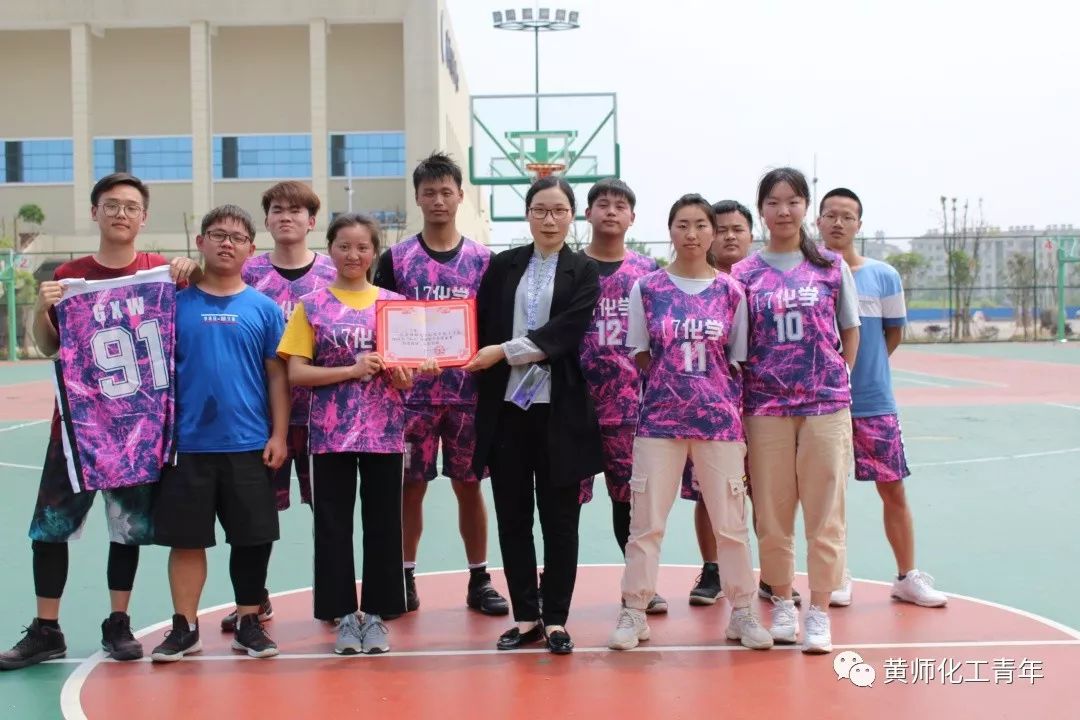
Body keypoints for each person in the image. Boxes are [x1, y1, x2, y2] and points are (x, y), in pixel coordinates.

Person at [0, 173, 198, 671]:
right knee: (50, 528)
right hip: (76, 427)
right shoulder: (70, 275)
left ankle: (118, 622)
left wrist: (190, 272)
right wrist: (42, 309)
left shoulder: (161, 272)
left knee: (126, 530)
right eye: (111, 205)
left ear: (143, 217)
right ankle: (46, 629)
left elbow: (197, 310)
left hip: (137, 427)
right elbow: (49, 346)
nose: (121, 214)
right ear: (95, 212)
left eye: (131, 206)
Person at [608, 194, 771, 651]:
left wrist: (704, 391)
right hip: (659, 422)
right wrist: (674, 384)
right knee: (646, 524)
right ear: (671, 231)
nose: (692, 233)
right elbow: (641, 353)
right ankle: (634, 611)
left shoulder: (731, 292)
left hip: (719, 423)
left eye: (701, 225)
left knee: (731, 524)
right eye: (683, 224)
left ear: (713, 233)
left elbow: (736, 358)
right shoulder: (647, 289)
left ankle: (742, 612)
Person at [464, 176, 602, 655]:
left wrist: (503, 352)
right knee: (513, 516)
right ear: (527, 214)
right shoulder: (503, 265)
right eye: (540, 210)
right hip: (506, 412)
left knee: (561, 521)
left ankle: (556, 618)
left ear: (572, 216)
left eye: (559, 211)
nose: (549, 219)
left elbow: (567, 331)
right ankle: (526, 617)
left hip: (559, 412)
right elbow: (477, 323)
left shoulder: (584, 271)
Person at [279, 213, 425, 654]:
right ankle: (342, 614)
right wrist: (351, 369)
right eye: (344, 246)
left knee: (384, 524)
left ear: (374, 252)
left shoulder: (395, 305)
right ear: (330, 249)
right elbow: (297, 373)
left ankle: (377, 614)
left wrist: (403, 376)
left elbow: (409, 374)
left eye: (362, 247)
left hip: (384, 432)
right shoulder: (311, 305)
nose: (353, 255)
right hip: (330, 434)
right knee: (333, 525)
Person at [151, 205, 288, 662]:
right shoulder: (172, 304)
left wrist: (279, 435)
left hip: (248, 443)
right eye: (217, 234)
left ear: (251, 248)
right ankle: (185, 627)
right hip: (186, 445)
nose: (227, 243)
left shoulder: (264, 309)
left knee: (252, 538)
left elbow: (277, 377)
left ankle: (249, 622)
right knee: (187, 539)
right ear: (200, 242)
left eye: (237, 237)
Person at [373, 152, 507, 617]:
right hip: (411, 398)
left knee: (469, 486)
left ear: (460, 196)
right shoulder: (396, 259)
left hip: (468, 396)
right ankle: (404, 576)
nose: (438, 200)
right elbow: (381, 322)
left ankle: (480, 578)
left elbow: (494, 327)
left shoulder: (484, 261)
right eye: (429, 192)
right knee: (411, 487)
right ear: (417, 198)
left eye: (446, 192)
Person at [733, 167, 860, 654]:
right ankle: (783, 601)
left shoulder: (830, 265)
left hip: (824, 406)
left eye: (793, 201)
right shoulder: (744, 274)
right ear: (761, 210)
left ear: (806, 207)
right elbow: (738, 344)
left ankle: (820, 610)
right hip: (765, 406)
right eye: (773, 202)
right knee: (772, 512)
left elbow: (850, 329)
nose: (783, 211)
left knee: (826, 512)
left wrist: (838, 378)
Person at [819, 187, 946, 608]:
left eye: (847, 216)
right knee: (828, 496)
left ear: (859, 224)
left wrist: (865, 369)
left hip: (874, 402)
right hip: (823, 404)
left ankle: (907, 577)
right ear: (818, 221)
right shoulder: (810, 275)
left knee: (892, 489)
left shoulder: (884, 275)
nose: (838, 222)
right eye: (830, 215)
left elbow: (893, 333)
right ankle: (837, 575)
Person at [227, 181, 336, 633]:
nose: (285, 216)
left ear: (312, 221)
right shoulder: (245, 272)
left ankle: (334, 596)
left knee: (328, 510)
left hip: (324, 415)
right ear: (267, 220)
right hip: (259, 415)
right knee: (256, 513)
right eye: (277, 210)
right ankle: (253, 599)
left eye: (295, 210)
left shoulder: (334, 272)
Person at [577, 178, 667, 613]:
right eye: (602, 204)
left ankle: (638, 585)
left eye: (620, 205)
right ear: (588, 213)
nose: (611, 211)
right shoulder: (568, 267)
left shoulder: (648, 272)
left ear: (632, 217)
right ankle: (554, 587)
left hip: (632, 405)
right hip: (575, 405)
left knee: (628, 500)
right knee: (564, 500)